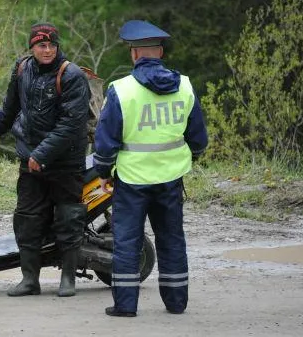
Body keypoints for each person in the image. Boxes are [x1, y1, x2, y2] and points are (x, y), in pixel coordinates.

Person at [94, 20, 208, 317]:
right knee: (171, 239)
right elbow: (198, 138)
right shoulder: (184, 85)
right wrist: (187, 157)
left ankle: (126, 306)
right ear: (159, 52)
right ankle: (176, 303)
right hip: (170, 178)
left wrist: (104, 173)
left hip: (132, 180)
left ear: (134, 55)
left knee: (128, 243)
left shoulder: (121, 90)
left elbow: (106, 140)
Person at [0, 23, 91, 297]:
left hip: (65, 162)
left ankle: (68, 278)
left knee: (68, 218)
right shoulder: (22, 69)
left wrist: (42, 154)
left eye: (52, 45)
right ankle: (30, 279)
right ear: (32, 47)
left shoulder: (72, 75)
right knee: (27, 220)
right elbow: (10, 107)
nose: (48, 50)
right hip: (30, 160)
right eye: (42, 45)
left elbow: (72, 124)